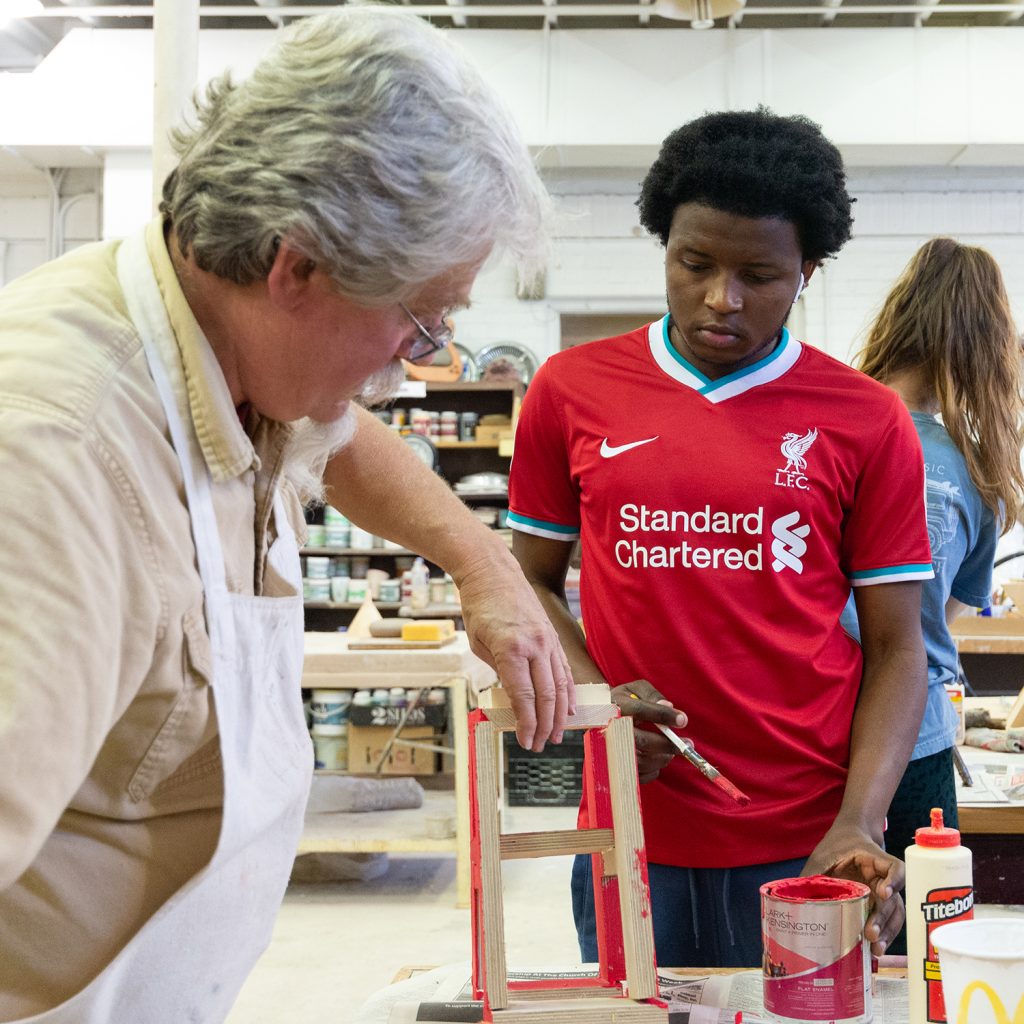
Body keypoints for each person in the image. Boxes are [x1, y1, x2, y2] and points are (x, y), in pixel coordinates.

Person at [0, 10, 574, 1021]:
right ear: (297, 267)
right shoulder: (55, 460)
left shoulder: (241, 361)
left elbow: (344, 438)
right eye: (423, 316)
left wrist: (479, 560)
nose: (418, 364)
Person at [508, 108, 933, 968]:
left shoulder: (865, 418)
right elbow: (530, 586)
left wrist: (861, 816)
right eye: (693, 263)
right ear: (664, 244)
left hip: (803, 834)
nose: (720, 299)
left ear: (807, 272)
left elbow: (898, 647)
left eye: (760, 275)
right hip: (627, 815)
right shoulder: (570, 390)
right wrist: (601, 699)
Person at [845, 237, 1024, 954]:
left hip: (811, 722)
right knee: (928, 947)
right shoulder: (971, 469)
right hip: (912, 737)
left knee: (816, 934)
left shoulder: (829, 428)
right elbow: (943, 616)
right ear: (986, 342)